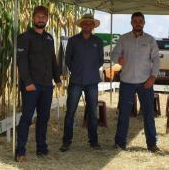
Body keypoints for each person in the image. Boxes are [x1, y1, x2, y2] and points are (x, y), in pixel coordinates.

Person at [15, 5, 62, 162]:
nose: (41, 19)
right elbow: (21, 63)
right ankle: (20, 152)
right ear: (33, 17)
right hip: (31, 86)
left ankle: (42, 148)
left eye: (44, 16)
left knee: (44, 118)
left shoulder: (49, 38)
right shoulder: (24, 37)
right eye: (38, 16)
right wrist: (28, 83)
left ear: (47, 19)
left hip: (47, 86)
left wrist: (57, 79)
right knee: (27, 118)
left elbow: (53, 60)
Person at [111, 12, 160, 153]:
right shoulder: (123, 38)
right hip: (126, 81)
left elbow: (156, 59)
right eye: (135, 21)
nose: (138, 23)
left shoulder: (150, 40)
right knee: (124, 114)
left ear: (144, 23)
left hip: (145, 82)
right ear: (131, 23)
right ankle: (120, 143)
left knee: (149, 114)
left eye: (140, 21)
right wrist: (118, 59)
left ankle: (152, 144)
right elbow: (114, 54)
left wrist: (153, 77)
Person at [59, 14, 104, 152]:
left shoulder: (98, 41)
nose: (88, 26)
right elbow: (68, 59)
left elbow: (101, 60)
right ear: (81, 25)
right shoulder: (73, 41)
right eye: (85, 23)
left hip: (92, 82)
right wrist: (77, 70)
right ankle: (66, 142)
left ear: (93, 26)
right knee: (70, 112)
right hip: (76, 81)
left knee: (92, 112)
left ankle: (93, 141)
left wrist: (90, 70)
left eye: (90, 24)